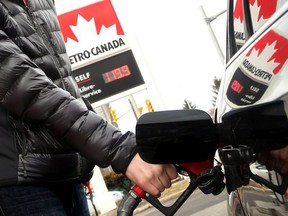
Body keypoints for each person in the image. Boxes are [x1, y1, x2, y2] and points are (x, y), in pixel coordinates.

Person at [0, 0, 178, 215]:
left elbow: (61, 85)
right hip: (17, 182)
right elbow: (24, 84)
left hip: (67, 175)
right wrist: (117, 148)